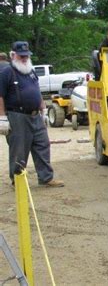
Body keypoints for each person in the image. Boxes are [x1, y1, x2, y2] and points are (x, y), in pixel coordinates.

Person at [0, 41, 64, 187]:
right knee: (19, 149)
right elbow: (0, 96)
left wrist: (44, 109)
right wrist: (2, 117)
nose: (24, 58)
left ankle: (46, 178)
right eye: (21, 56)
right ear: (13, 55)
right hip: (17, 116)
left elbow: (37, 92)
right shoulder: (7, 73)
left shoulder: (31, 72)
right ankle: (17, 180)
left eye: (26, 56)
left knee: (43, 145)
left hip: (36, 115)